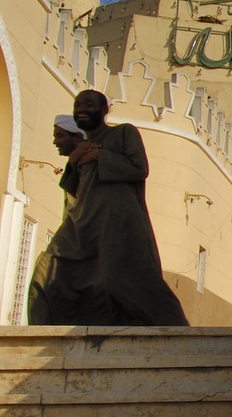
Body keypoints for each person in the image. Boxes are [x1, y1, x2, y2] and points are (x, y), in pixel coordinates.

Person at [28, 91, 189, 325]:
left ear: (105, 111)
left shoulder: (123, 133)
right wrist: (73, 161)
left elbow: (139, 168)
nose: (82, 108)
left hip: (117, 223)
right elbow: (74, 189)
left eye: (89, 104)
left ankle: (177, 331)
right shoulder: (82, 147)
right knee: (49, 269)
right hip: (82, 224)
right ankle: (42, 335)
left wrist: (99, 155)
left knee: (124, 281)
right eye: (78, 104)